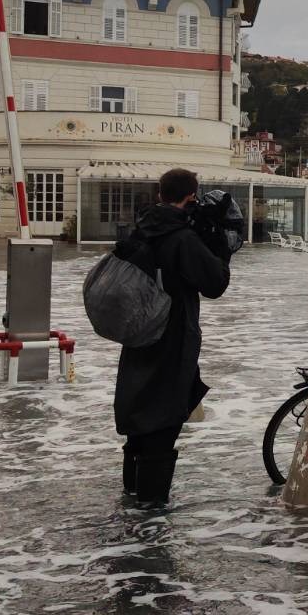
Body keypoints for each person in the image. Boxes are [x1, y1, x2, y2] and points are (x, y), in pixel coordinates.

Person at [112, 168, 233, 508]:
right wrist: (220, 245)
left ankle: (132, 501)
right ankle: (151, 513)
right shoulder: (181, 238)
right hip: (172, 337)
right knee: (165, 419)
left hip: (138, 335)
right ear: (190, 197)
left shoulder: (142, 227)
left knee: (139, 417)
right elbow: (215, 284)